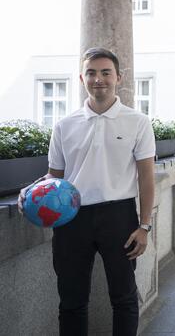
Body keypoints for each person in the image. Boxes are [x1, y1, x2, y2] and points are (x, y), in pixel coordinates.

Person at [18, 47, 156, 336]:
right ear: (82, 78)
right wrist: (31, 190)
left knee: (124, 297)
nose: (99, 79)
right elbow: (54, 177)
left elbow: (146, 177)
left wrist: (144, 226)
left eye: (106, 72)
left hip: (119, 217)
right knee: (71, 300)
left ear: (118, 77)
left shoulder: (138, 122)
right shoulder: (64, 126)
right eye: (91, 73)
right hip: (71, 219)